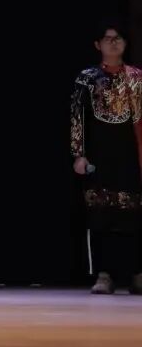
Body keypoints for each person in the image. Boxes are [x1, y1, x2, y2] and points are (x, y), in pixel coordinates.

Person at [71, 21, 142, 294]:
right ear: (97, 45)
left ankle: (137, 273)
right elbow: (77, 118)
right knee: (100, 217)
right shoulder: (87, 78)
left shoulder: (137, 77)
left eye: (118, 38)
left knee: (133, 217)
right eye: (108, 38)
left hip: (130, 155)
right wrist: (79, 154)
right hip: (99, 156)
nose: (114, 42)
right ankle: (103, 274)